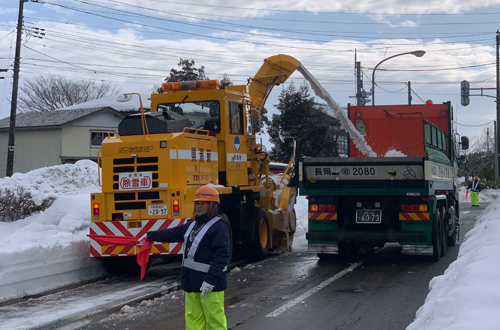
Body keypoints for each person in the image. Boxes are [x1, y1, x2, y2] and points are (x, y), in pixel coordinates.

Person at [140, 185, 230, 330]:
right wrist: (150, 235)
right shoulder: (193, 225)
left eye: (203, 203)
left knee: (215, 322)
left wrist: (210, 280)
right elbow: (173, 233)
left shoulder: (219, 227)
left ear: (212, 205)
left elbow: (222, 256)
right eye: (197, 203)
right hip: (192, 283)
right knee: (193, 322)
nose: (199, 207)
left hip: (210, 285)